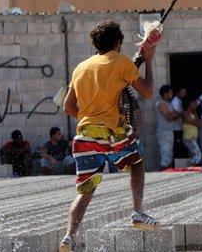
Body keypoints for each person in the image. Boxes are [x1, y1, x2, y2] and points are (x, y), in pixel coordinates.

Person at [60, 20, 157, 251]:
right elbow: (148, 92)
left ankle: (68, 238)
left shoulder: (81, 68)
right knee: (137, 161)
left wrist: (90, 118)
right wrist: (149, 62)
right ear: (118, 42)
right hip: (113, 134)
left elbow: (67, 106)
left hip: (85, 136)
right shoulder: (122, 61)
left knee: (85, 190)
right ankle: (138, 212)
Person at [182, 98, 202, 166]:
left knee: (193, 155)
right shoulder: (186, 115)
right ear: (189, 105)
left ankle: (189, 169)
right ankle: (188, 168)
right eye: (193, 103)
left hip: (193, 139)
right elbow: (200, 124)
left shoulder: (192, 114)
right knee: (198, 155)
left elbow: (199, 121)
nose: (195, 104)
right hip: (189, 139)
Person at [157, 85, 179, 170]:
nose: (172, 94)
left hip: (168, 131)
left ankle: (167, 171)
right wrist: (174, 115)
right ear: (165, 94)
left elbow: (175, 115)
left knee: (169, 154)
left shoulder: (168, 104)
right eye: (170, 93)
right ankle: (163, 172)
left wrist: (174, 115)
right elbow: (170, 118)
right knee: (166, 154)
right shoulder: (162, 104)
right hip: (164, 132)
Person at [171, 86, 187, 159]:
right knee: (177, 147)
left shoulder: (180, 101)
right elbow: (179, 113)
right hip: (176, 129)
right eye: (182, 92)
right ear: (177, 93)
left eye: (184, 92)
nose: (184, 94)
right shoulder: (175, 102)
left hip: (180, 128)